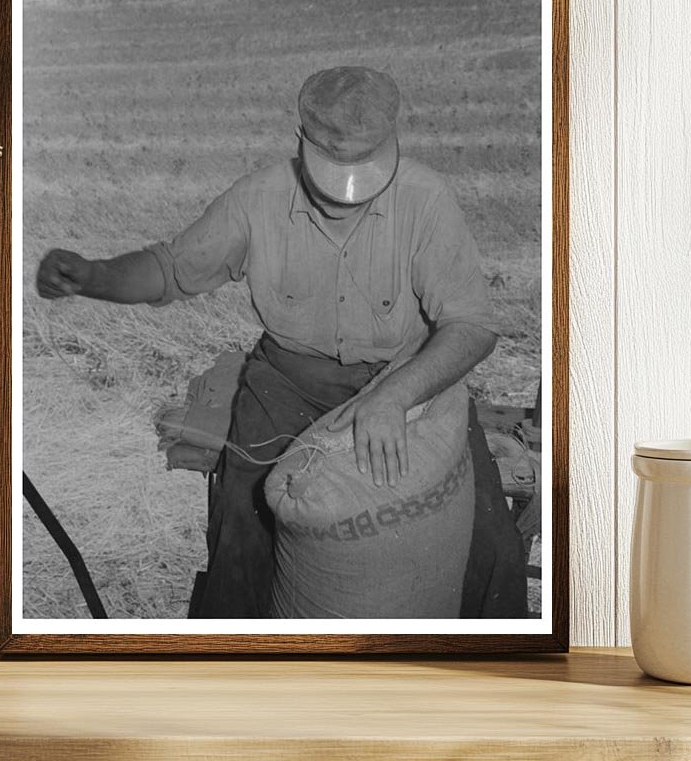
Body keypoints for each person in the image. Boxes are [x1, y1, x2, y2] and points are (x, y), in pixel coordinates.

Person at [37, 66, 526, 619]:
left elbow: (472, 326)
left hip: (405, 381)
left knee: (488, 540)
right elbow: (169, 270)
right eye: (331, 169)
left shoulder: (426, 199)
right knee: (246, 533)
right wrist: (93, 277)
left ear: (392, 145)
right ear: (301, 141)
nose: (345, 193)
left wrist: (395, 398)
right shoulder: (258, 198)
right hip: (288, 385)